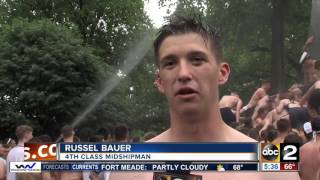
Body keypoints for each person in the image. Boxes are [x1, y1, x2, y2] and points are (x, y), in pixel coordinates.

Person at [109, 17, 299, 180]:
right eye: (170, 63)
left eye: (197, 60)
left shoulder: (276, 165)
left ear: (222, 73)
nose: (183, 73)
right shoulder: (129, 168)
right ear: (160, 81)